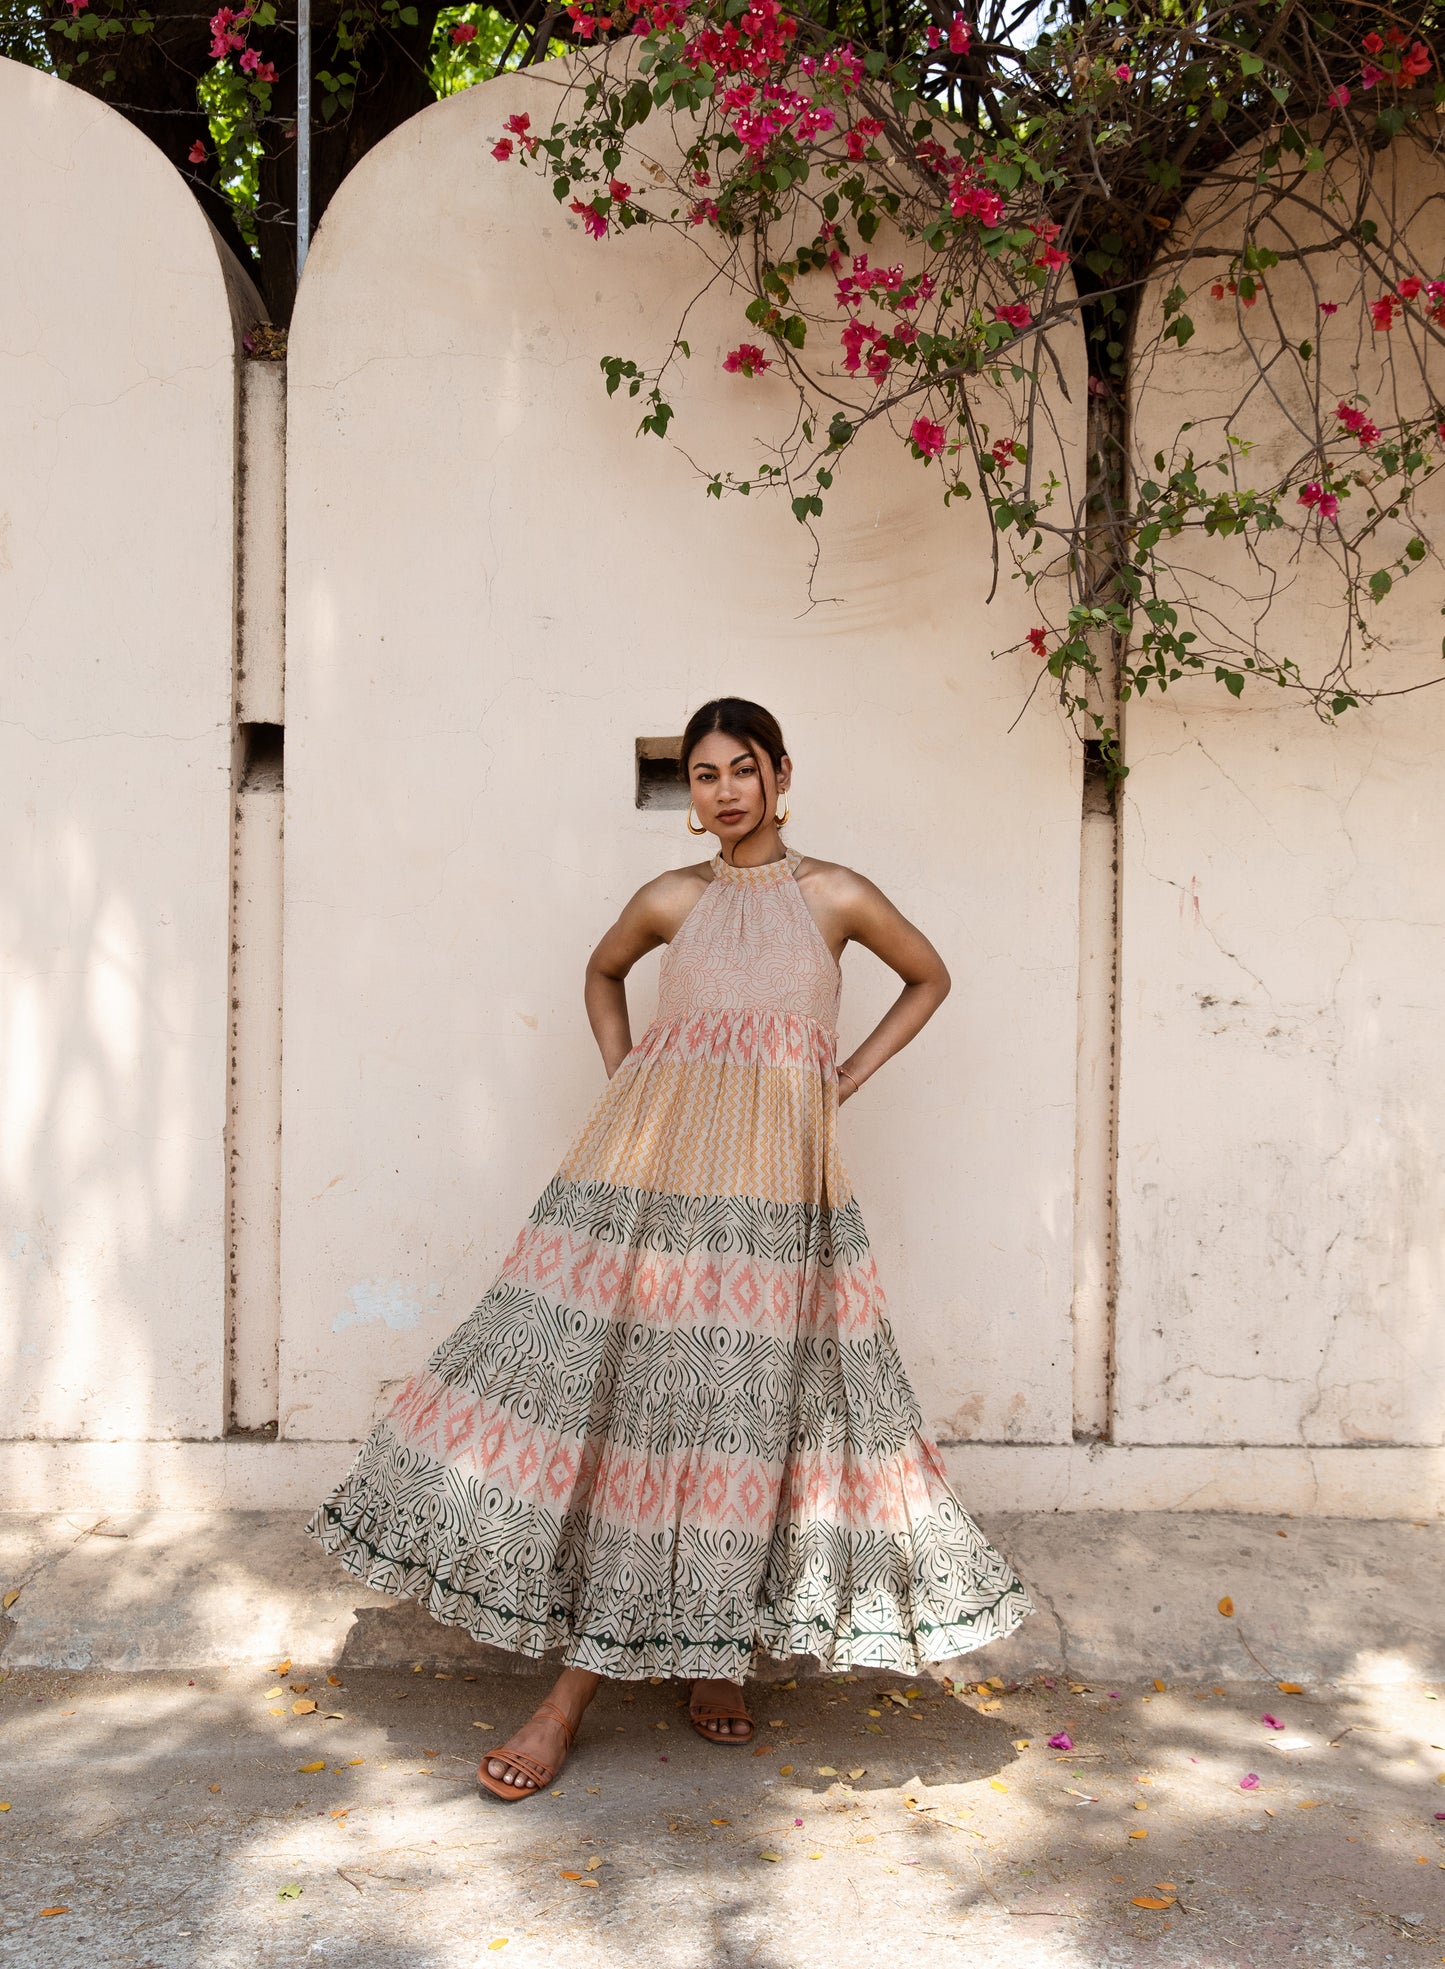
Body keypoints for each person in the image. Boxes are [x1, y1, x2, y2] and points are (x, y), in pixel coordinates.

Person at [307, 696, 1035, 1800]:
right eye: (704, 775)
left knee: (747, 1422)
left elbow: (927, 975)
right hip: (650, 1184)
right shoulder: (666, 899)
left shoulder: (835, 894)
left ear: (782, 774)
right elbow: (601, 974)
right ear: (689, 794)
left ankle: (715, 1658)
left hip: (776, 1195)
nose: (726, 791)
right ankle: (564, 1699)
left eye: (743, 769)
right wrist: (630, 1077)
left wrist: (841, 1080)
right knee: (642, 1412)